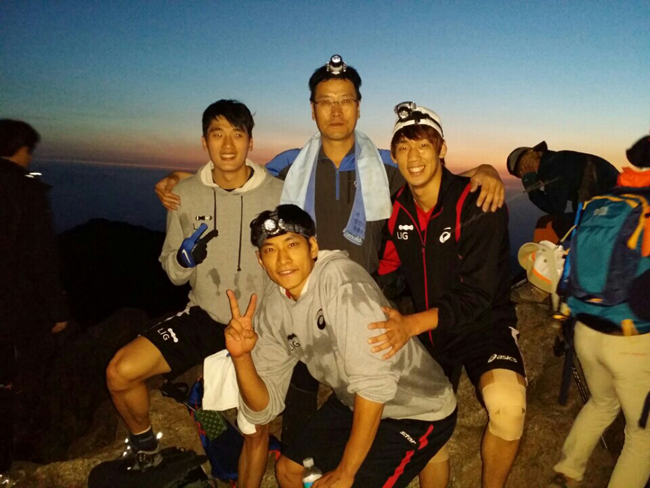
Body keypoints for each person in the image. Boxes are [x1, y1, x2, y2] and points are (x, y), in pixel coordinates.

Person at [105, 100, 283, 485]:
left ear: (251, 142)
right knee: (120, 372)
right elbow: (172, 272)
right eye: (218, 134)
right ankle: (146, 449)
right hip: (204, 315)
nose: (228, 145)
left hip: (262, 323)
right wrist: (184, 260)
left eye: (238, 134)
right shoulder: (183, 194)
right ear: (204, 142)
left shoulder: (280, 194)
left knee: (254, 429)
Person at [225, 204, 457, 488]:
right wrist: (241, 357)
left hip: (415, 408)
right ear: (260, 260)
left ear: (312, 247)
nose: (283, 259)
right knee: (288, 471)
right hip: (353, 399)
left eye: (292, 244)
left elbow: (374, 385)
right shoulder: (274, 307)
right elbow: (265, 407)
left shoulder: (342, 282)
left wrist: (346, 472)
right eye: (270, 250)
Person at [369, 103, 527, 488]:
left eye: (423, 145)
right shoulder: (398, 210)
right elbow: (386, 273)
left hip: (483, 326)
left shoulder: (478, 203)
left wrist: (410, 324)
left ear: (442, 149)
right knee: (426, 427)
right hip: (431, 336)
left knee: (508, 408)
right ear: (394, 156)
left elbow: (478, 294)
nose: (413, 156)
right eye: (403, 147)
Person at [548, 135, 650, 488]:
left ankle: (566, 472)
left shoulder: (605, 201)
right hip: (630, 339)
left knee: (603, 403)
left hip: (586, 332)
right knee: (642, 436)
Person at [0, 120, 69, 477]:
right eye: (29, 150)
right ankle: (19, 455)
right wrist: (56, 310)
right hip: (20, 305)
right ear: (21, 149)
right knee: (26, 377)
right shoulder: (25, 192)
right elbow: (41, 256)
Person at [506, 140, 619, 239]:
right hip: (610, 206)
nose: (525, 170)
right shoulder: (558, 160)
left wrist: (531, 187)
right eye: (521, 173)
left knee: (546, 225)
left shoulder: (554, 164)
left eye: (524, 164)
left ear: (535, 152)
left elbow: (555, 207)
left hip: (610, 209)